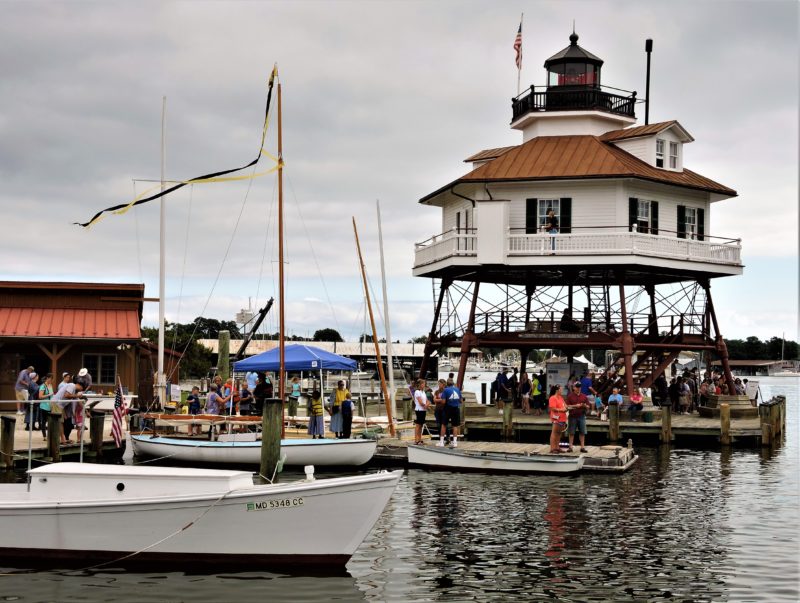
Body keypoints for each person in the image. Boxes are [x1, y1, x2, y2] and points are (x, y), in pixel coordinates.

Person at [566, 382, 591, 452]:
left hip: (581, 416)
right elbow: (567, 406)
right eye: (577, 387)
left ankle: (582, 447)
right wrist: (575, 406)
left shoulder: (584, 396)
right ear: (573, 388)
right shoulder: (570, 396)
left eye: (579, 387)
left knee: (582, 432)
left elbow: (588, 406)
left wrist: (584, 406)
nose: (578, 388)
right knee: (571, 432)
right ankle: (570, 447)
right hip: (572, 416)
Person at [440, 379, 462, 447]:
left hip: (448, 409)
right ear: (453, 383)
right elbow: (461, 400)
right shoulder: (457, 389)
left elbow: (443, 402)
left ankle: (441, 442)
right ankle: (455, 442)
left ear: (447, 384)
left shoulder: (445, 390)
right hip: (456, 409)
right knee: (455, 426)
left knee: (444, 425)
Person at [548, 385, 567, 453]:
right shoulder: (552, 398)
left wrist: (576, 406)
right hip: (556, 418)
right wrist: (562, 410)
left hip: (562, 418)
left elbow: (565, 406)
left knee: (559, 433)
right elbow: (553, 408)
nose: (562, 390)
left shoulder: (561, 398)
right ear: (557, 390)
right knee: (554, 433)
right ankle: (552, 448)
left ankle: (557, 447)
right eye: (561, 389)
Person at [412, 378, 429, 445]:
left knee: (421, 425)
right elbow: (420, 402)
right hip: (419, 410)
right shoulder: (417, 392)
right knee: (418, 425)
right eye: (423, 383)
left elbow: (427, 401)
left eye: (424, 383)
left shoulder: (423, 392)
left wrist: (426, 405)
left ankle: (420, 438)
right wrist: (424, 405)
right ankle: (416, 439)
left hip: (423, 410)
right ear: (420, 384)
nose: (424, 385)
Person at [38, 373, 54, 439]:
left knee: (51, 422)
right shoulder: (43, 386)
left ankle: (50, 435)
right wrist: (49, 395)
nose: (51, 380)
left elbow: (52, 395)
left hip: (50, 406)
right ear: (47, 378)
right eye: (50, 379)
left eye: (52, 379)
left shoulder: (50, 385)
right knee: (44, 422)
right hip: (44, 406)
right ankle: (44, 436)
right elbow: (40, 396)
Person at [433, 379, 447, 444]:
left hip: (444, 409)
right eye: (438, 384)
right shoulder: (436, 392)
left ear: (443, 384)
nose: (439, 385)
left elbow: (445, 401)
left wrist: (439, 400)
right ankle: (440, 438)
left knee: (444, 424)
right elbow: (434, 400)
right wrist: (441, 400)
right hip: (437, 409)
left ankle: (447, 438)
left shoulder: (446, 391)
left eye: (440, 384)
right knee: (438, 424)